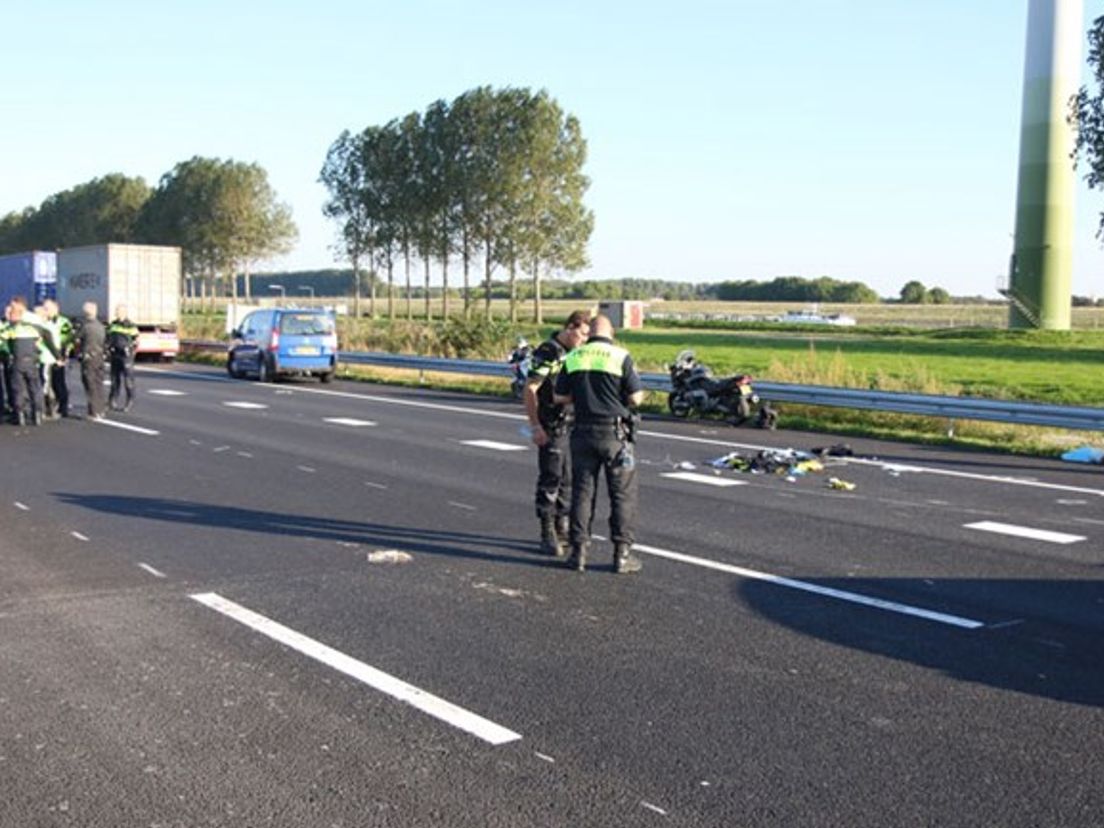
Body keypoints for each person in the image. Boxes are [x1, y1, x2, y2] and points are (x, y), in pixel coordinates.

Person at [553, 314, 646, 574]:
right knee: (622, 495)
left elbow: (559, 396)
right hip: (614, 435)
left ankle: (579, 553)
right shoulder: (620, 357)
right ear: (611, 332)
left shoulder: (574, 357)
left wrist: (583, 397)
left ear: (590, 332)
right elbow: (636, 398)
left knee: (582, 493)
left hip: (582, 432)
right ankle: (621, 554)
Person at [524, 310, 591, 557]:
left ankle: (562, 524)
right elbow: (530, 389)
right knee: (551, 476)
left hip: (571, 422)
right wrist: (535, 425)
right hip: (550, 422)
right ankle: (546, 530)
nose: (584, 340)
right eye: (583, 334)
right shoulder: (548, 352)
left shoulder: (576, 352)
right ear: (570, 327)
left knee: (568, 479)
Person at [1, 298, 55, 426]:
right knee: (34, 387)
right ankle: (37, 414)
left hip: (17, 362)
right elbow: (46, 336)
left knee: (18, 388)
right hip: (32, 361)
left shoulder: (12, 328)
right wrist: (56, 354)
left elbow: (3, 340)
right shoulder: (33, 327)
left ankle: (20, 415)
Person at [42, 299, 73, 418]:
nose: (46, 311)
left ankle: (63, 407)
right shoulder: (44, 322)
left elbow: (67, 340)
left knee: (59, 382)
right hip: (47, 356)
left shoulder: (63, 322)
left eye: (47, 309)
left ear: (55, 309)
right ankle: (50, 406)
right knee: (48, 383)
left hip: (58, 355)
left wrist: (63, 356)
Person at [78, 301, 107, 420]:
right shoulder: (101, 326)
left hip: (89, 357)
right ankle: (101, 409)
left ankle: (93, 411)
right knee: (98, 382)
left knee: (90, 383)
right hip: (99, 356)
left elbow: (77, 339)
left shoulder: (85, 327)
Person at [106, 305, 139, 412]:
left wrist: (131, 351)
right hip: (115, 354)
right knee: (114, 380)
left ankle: (129, 401)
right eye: (116, 311)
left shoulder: (130, 326)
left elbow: (136, 340)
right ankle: (112, 400)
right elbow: (107, 338)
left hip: (126, 356)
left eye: (119, 311)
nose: (117, 313)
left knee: (128, 380)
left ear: (124, 313)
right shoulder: (113, 325)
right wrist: (107, 348)